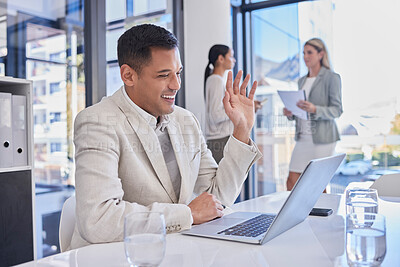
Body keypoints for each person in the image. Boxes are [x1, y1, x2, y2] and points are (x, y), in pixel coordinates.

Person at [70, 24, 262, 249]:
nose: (176, 85)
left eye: (178, 73)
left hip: (172, 251)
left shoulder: (186, 120)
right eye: (163, 75)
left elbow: (216, 197)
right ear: (128, 75)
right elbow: (98, 220)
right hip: (115, 256)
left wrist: (241, 128)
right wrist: (186, 214)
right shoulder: (97, 121)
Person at [284, 38, 342, 190]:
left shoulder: (332, 78)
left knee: (318, 185)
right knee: (291, 180)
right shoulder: (302, 80)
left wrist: (315, 109)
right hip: (303, 137)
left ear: (321, 54)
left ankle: (322, 214)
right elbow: (300, 111)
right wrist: (290, 112)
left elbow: (337, 110)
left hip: (323, 139)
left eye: (309, 52)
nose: (305, 57)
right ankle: (295, 213)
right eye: (303, 53)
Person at [204, 45, 262, 163]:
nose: (234, 60)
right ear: (221, 59)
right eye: (231, 56)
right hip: (220, 141)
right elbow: (215, 115)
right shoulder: (216, 80)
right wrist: (238, 111)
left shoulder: (215, 80)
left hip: (220, 140)